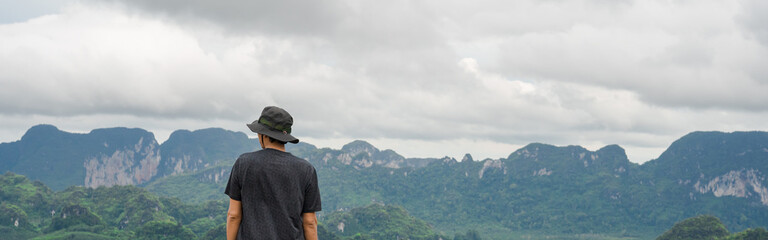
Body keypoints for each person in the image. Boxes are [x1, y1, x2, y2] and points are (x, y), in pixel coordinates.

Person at [225, 106, 322, 240]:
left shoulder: (243, 163)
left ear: (264, 135)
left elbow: (234, 215)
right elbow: (310, 222)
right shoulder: (306, 169)